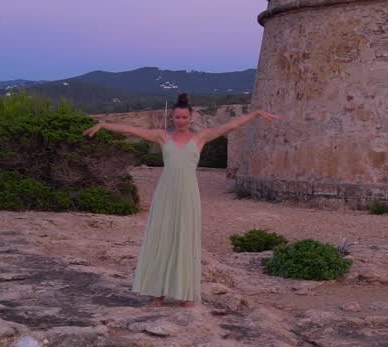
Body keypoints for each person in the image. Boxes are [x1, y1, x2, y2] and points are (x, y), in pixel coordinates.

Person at [84, 93, 278, 306]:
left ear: (191, 117)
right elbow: (132, 130)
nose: (180, 121)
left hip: (188, 193)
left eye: (184, 117)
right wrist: (104, 125)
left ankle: (186, 294)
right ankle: (157, 294)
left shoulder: (200, 137)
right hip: (165, 193)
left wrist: (256, 113)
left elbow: (231, 126)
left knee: (186, 240)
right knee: (161, 239)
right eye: (177, 117)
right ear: (172, 118)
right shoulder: (162, 137)